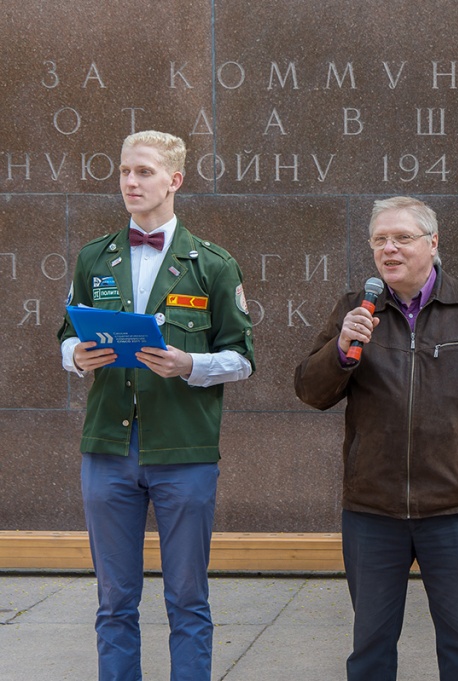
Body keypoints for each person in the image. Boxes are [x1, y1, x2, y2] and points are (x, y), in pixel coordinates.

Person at [294, 196, 458, 681]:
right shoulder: (355, 308)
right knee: (371, 647)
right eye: (379, 240)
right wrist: (340, 349)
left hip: (452, 507)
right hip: (372, 509)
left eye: (402, 238)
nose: (389, 250)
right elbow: (311, 392)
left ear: (433, 243)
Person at [58, 130, 255, 680]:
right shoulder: (94, 256)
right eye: (124, 171)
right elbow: (64, 335)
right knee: (114, 599)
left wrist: (190, 366)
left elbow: (242, 357)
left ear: (175, 180)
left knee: (187, 598)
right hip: (108, 447)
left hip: (183, 449)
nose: (130, 182)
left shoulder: (213, 264)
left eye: (143, 172)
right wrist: (79, 357)